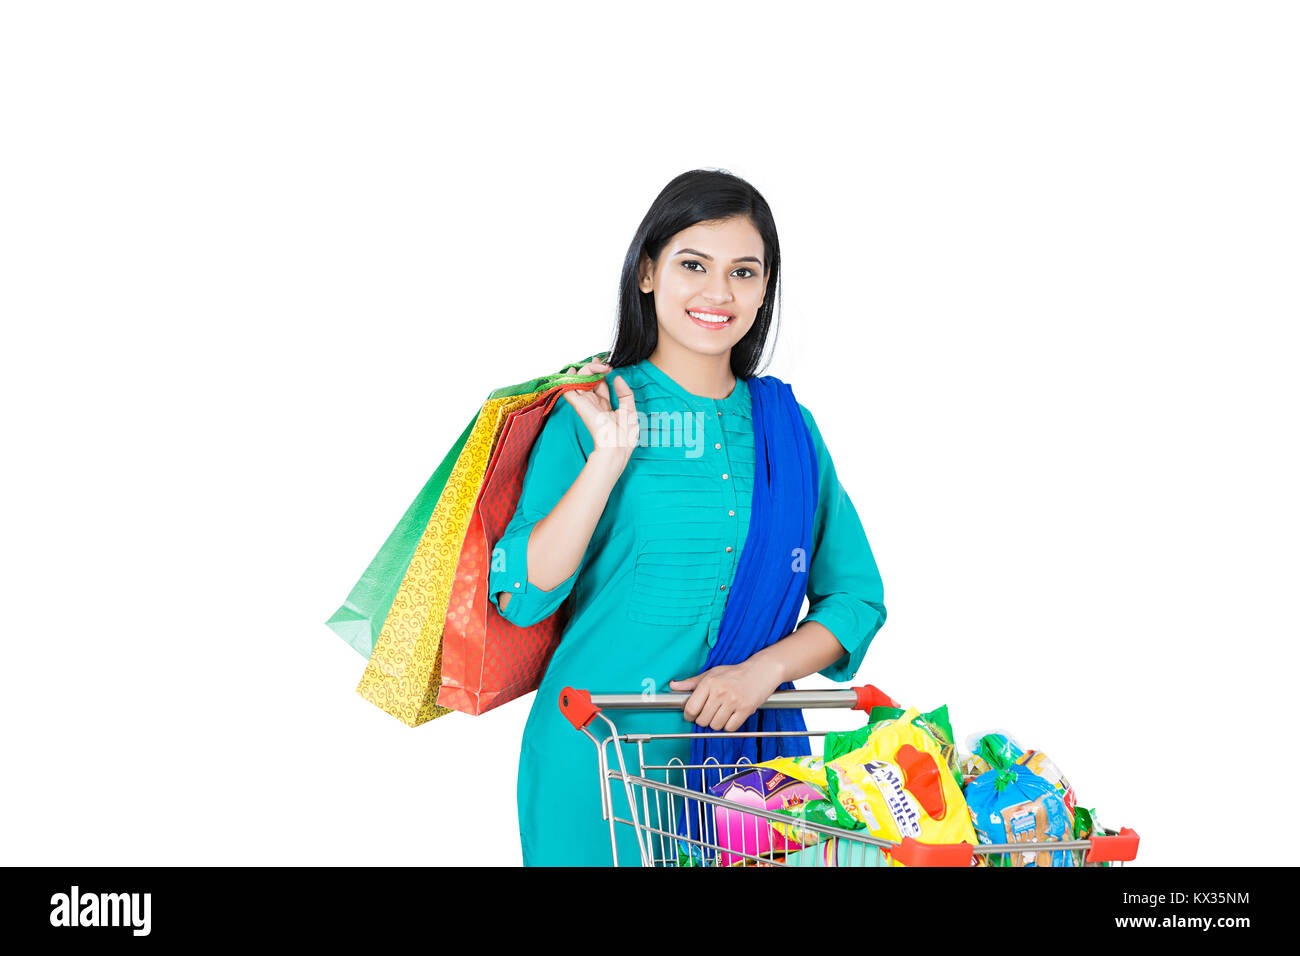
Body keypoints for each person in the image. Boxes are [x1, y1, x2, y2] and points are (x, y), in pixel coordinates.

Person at [489, 169, 887, 866]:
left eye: (744, 272)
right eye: (693, 265)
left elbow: (855, 598)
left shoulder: (787, 432)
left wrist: (763, 670)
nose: (718, 292)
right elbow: (521, 594)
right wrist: (607, 461)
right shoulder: (589, 411)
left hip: (749, 787)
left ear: (765, 291)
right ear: (647, 273)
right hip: (598, 759)